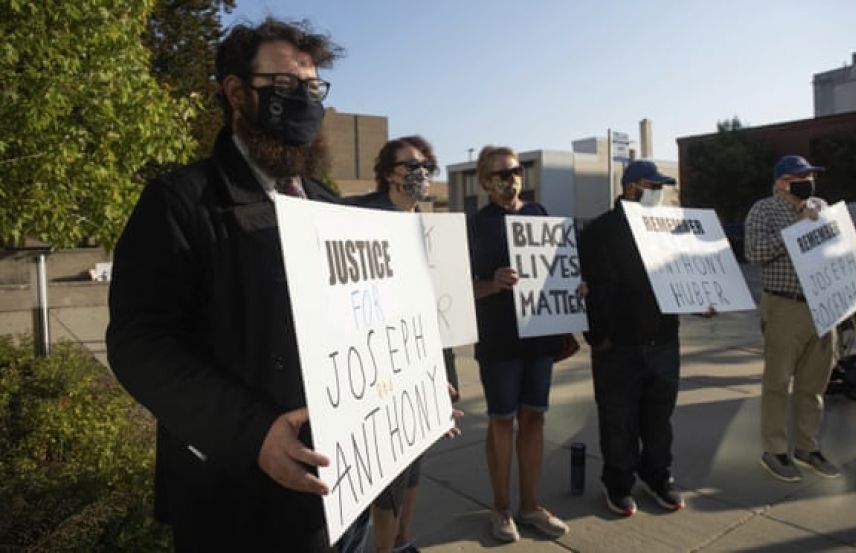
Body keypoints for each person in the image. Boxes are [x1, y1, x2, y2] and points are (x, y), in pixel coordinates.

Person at [106, 19, 370, 552]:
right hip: (239, 504)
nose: (304, 100)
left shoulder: (324, 199)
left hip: (342, 491)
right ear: (235, 92)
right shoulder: (180, 201)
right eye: (285, 86)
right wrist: (252, 433)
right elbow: (140, 344)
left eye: (313, 87)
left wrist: (408, 388)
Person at [349, 135, 460, 553]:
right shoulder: (361, 216)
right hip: (383, 361)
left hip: (429, 353)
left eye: (426, 166)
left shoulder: (429, 226)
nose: (420, 174)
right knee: (388, 470)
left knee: (416, 458)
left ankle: (401, 539)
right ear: (387, 173)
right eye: (410, 166)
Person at [579, 160, 693, 517]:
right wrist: (596, 336)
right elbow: (585, 286)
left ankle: (658, 476)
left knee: (659, 418)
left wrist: (702, 298)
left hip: (664, 340)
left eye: (661, 187)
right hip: (618, 344)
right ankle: (618, 483)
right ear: (630, 187)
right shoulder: (601, 230)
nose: (657, 193)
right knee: (618, 420)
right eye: (651, 185)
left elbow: (686, 272)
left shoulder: (668, 228)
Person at [468, 146, 569, 543]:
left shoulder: (540, 215)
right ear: (483, 182)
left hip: (539, 336)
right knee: (501, 421)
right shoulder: (476, 225)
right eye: (497, 174)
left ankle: (530, 505)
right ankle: (501, 508)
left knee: (534, 417)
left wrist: (572, 283)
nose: (507, 179)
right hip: (498, 339)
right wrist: (491, 284)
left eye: (513, 170)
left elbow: (559, 266)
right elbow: (460, 289)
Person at [745, 155, 841, 482]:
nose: (808, 182)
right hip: (785, 306)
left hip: (823, 304)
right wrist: (796, 227)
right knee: (778, 381)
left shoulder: (822, 206)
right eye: (800, 176)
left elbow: (840, 249)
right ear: (781, 182)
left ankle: (807, 446)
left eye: (810, 175)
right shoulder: (763, 210)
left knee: (814, 383)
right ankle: (774, 449)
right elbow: (755, 253)